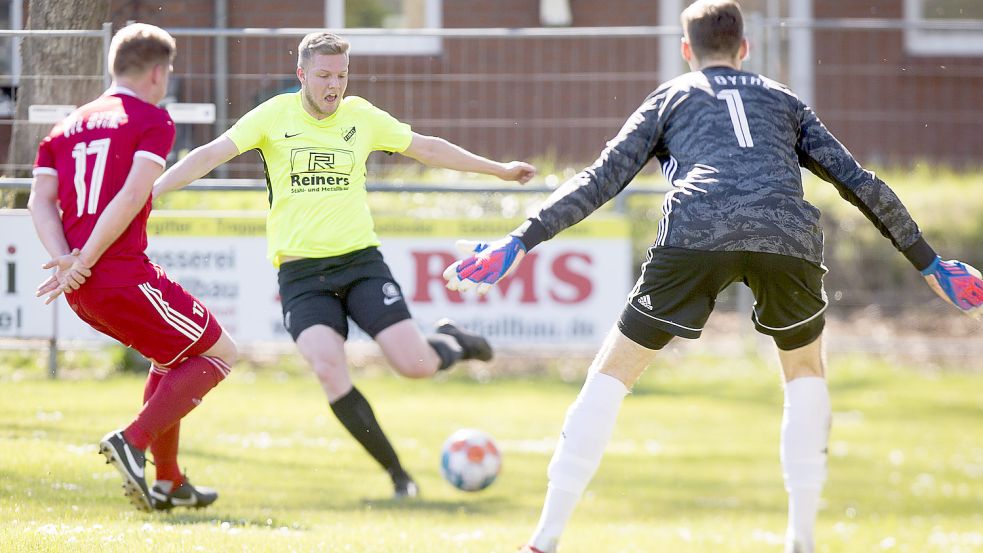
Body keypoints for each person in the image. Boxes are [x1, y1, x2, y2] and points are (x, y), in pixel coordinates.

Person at [443, 1, 983, 552]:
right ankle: (801, 540)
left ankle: (545, 539)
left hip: (696, 229)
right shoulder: (784, 100)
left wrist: (520, 240)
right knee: (805, 373)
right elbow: (857, 181)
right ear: (744, 49)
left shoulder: (670, 97)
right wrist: (928, 262)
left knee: (611, 376)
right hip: (786, 233)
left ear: (687, 52)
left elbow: (600, 179)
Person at [152, 31, 536, 498]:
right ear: (302, 75)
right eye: (324, 76)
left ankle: (451, 342)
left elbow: (428, 148)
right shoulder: (274, 116)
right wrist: (148, 193)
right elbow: (210, 155)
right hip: (301, 276)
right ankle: (399, 476)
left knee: (414, 366)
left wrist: (499, 169)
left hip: (360, 264)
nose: (334, 85)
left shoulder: (361, 117)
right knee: (329, 368)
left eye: (341, 75)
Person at [29, 23, 238, 513]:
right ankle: (133, 440)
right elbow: (130, 196)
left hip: (81, 286)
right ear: (158, 73)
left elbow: (40, 201)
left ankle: (169, 481)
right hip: (119, 273)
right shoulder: (151, 119)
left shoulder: (64, 126)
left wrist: (67, 260)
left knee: (171, 360)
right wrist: (84, 259)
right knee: (219, 354)